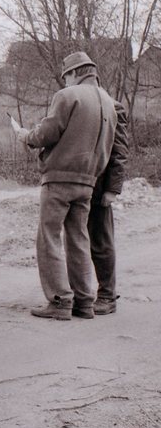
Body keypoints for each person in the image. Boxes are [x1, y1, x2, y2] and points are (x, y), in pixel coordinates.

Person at [13, 51, 117, 320]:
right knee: (78, 238)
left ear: (75, 73)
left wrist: (26, 136)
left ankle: (59, 301)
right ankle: (84, 301)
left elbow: (47, 133)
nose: (65, 80)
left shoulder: (67, 96)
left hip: (59, 179)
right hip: (88, 182)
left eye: (66, 75)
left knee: (48, 238)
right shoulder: (108, 101)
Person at [89, 100, 129, 315]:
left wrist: (112, 189)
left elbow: (119, 151)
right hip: (78, 186)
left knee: (101, 242)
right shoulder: (73, 103)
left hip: (99, 189)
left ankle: (107, 295)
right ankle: (82, 294)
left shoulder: (113, 107)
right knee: (77, 242)